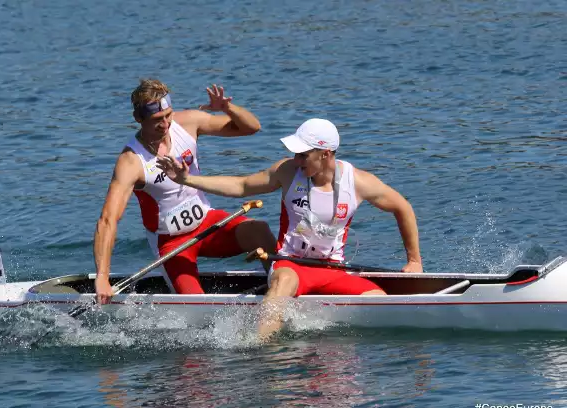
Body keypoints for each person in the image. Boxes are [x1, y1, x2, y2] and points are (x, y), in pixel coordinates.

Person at [156, 117, 423, 340]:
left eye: (303, 154)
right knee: (283, 281)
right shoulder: (287, 172)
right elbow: (241, 186)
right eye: (296, 153)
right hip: (290, 264)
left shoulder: (360, 182)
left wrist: (414, 261)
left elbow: (403, 208)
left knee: (379, 297)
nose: (296, 159)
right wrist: (187, 179)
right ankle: (262, 350)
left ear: (326, 154)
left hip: (332, 269)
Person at [94, 79, 276, 303]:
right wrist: (102, 277)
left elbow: (252, 127)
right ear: (138, 119)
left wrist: (227, 108)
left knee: (260, 231)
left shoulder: (188, 122)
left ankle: (279, 290)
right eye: (157, 120)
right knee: (197, 304)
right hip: (172, 243)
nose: (165, 124)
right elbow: (108, 220)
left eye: (168, 115)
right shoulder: (131, 161)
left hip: (208, 223)